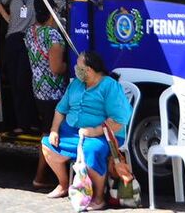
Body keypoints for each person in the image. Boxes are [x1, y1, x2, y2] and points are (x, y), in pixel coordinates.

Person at [41, 50, 133, 210]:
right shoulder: (75, 84)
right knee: (47, 145)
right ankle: (64, 184)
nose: (75, 68)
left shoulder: (110, 86)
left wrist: (95, 131)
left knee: (92, 150)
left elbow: (119, 119)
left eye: (78, 66)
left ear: (89, 70)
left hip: (105, 135)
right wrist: (54, 129)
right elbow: (61, 109)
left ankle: (98, 198)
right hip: (74, 132)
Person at [0, 0, 61, 132]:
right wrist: (6, 17)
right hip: (14, 39)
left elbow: (60, 3)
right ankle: (22, 123)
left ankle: (34, 121)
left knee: (30, 81)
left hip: (32, 39)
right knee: (17, 82)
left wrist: (46, 22)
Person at [25, 0, 70, 190]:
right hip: (54, 92)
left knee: (48, 130)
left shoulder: (31, 32)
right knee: (52, 133)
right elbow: (56, 67)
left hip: (38, 90)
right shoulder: (53, 36)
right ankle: (41, 176)